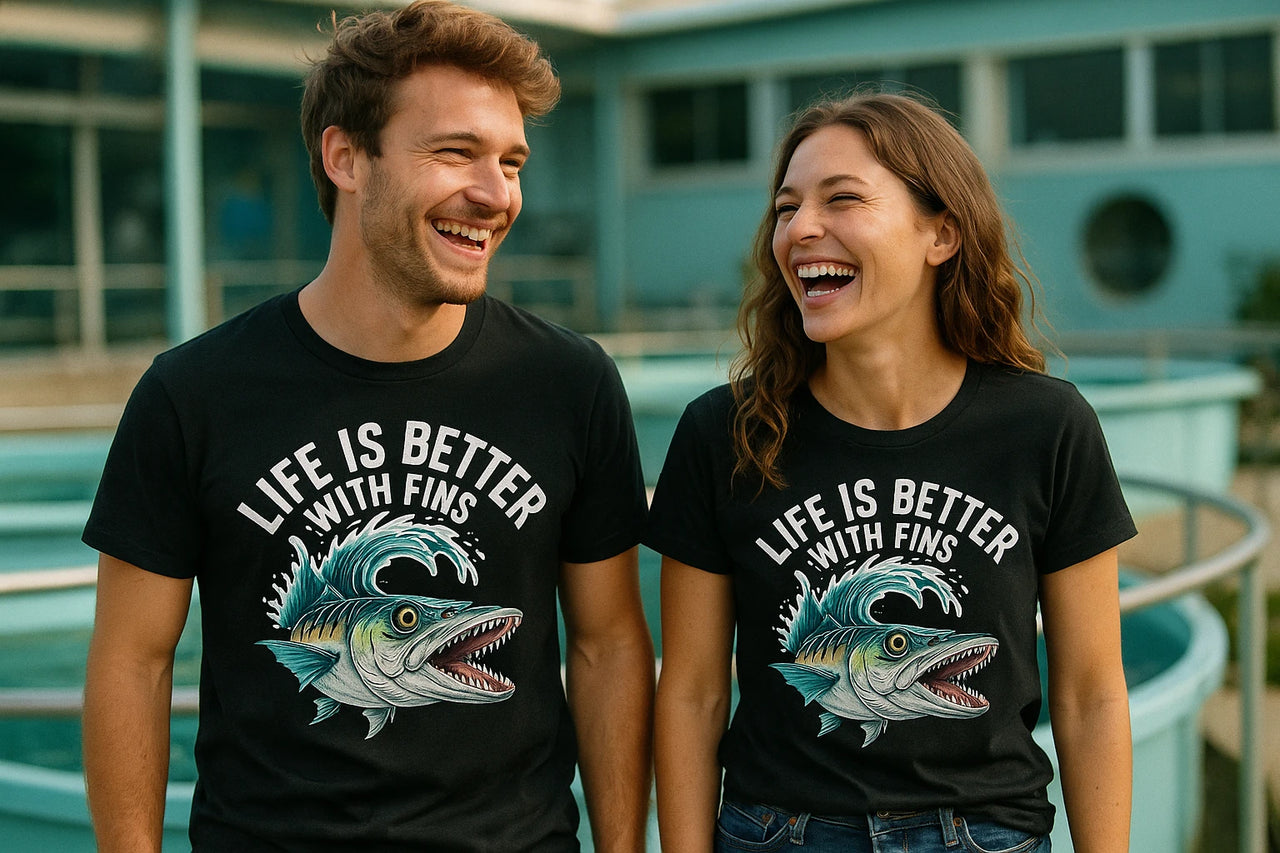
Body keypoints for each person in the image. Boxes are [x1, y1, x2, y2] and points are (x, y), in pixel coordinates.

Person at [81, 2, 654, 851]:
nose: (496, 195)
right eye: (455, 152)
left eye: (511, 161)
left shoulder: (570, 384)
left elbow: (607, 646)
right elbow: (133, 662)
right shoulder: (193, 393)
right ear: (346, 157)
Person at [648, 90, 1134, 853]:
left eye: (842, 199)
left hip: (986, 834)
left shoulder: (1046, 426)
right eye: (786, 207)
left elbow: (1091, 695)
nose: (801, 229)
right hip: (777, 833)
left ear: (941, 233)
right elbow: (692, 692)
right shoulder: (723, 433)